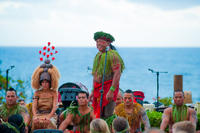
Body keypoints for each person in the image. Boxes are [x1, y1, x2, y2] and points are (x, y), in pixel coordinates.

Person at [89, 31, 125, 121]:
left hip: (108, 87)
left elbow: (117, 73)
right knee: (98, 114)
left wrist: (111, 90)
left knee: (107, 115)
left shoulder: (113, 55)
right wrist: (93, 90)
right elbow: (95, 74)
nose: (98, 44)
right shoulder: (98, 55)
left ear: (108, 43)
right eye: (97, 42)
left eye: (100, 41)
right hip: (98, 88)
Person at [31, 53, 60, 130]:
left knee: (49, 122)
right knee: (35, 122)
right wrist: (35, 116)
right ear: (40, 83)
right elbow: (34, 107)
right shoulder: (37, 93)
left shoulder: (53, 93)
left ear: (50, 83)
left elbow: (55, 107)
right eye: (43, 82)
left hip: (51, 115)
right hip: (39, 115)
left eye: (46, 82)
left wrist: (49, 116)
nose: (45, 84)